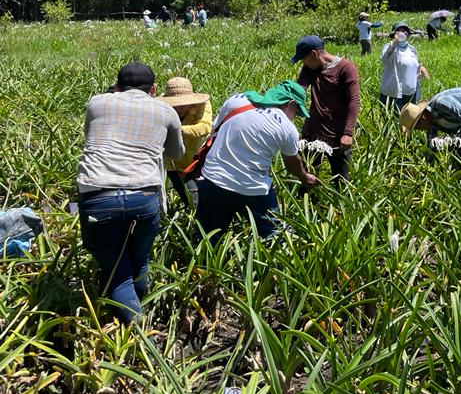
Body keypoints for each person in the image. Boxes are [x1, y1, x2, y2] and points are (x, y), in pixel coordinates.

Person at [76, 63, 184, 323]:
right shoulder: (166, 110)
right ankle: (137, 321)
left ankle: (135, 329)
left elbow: (91, 136)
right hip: (144, 195)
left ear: (116, 86)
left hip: (98, 194)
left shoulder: (97, 103)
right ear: (154, 89)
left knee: (117, 272)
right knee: (140, 260)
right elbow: (177, 154)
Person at [196, 81, 318, 241]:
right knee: (276, 237)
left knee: (209, 236)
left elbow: (215, 131)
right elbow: (292, 164)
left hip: (213, 180)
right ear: (291, 103)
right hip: (253, 189)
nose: (295, 118)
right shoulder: (288, 129)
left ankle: (203, 264)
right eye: (296, 112)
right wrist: (304, 177)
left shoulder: (237, 100)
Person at [293, 35, 361, 183]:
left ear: (314, 54)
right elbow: (299, 90)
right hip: (312, 133)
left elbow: (354, 101)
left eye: (304, 58)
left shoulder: (346, 68)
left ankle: (339, 205)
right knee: (307, 178)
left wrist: (348, 133)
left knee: (341, 179)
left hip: (337, 134)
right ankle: (312, 204)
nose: (303, 62)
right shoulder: (309, 68)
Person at [400, 88, 461, 166]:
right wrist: (428, 166)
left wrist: (456, 142)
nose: (420, 130)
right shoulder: (430, 121)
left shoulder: (441, 103)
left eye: (417, 127)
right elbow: (431, 145)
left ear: (422, 119)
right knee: (459, 154)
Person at [158, 76, 212, 207]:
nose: (179, 109)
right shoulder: (159, 106)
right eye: (175, 105)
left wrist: (177, 129)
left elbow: (204, 127)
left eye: (183, 105)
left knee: (204, 198)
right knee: (192, 201)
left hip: (197, 159)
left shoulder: (202, 104)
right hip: (172, 161)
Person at [380, 21, 428, 112]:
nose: (402, 33)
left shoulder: (412, 49)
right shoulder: (389, 46)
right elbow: (385, 60)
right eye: (399, 31)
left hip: (410, 93)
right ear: (394, 34)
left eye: (405, 31)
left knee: (408, 122)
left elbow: (412, 66)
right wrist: (394, 42)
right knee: (396, 120)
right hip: (394, 93)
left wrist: (420, 68)